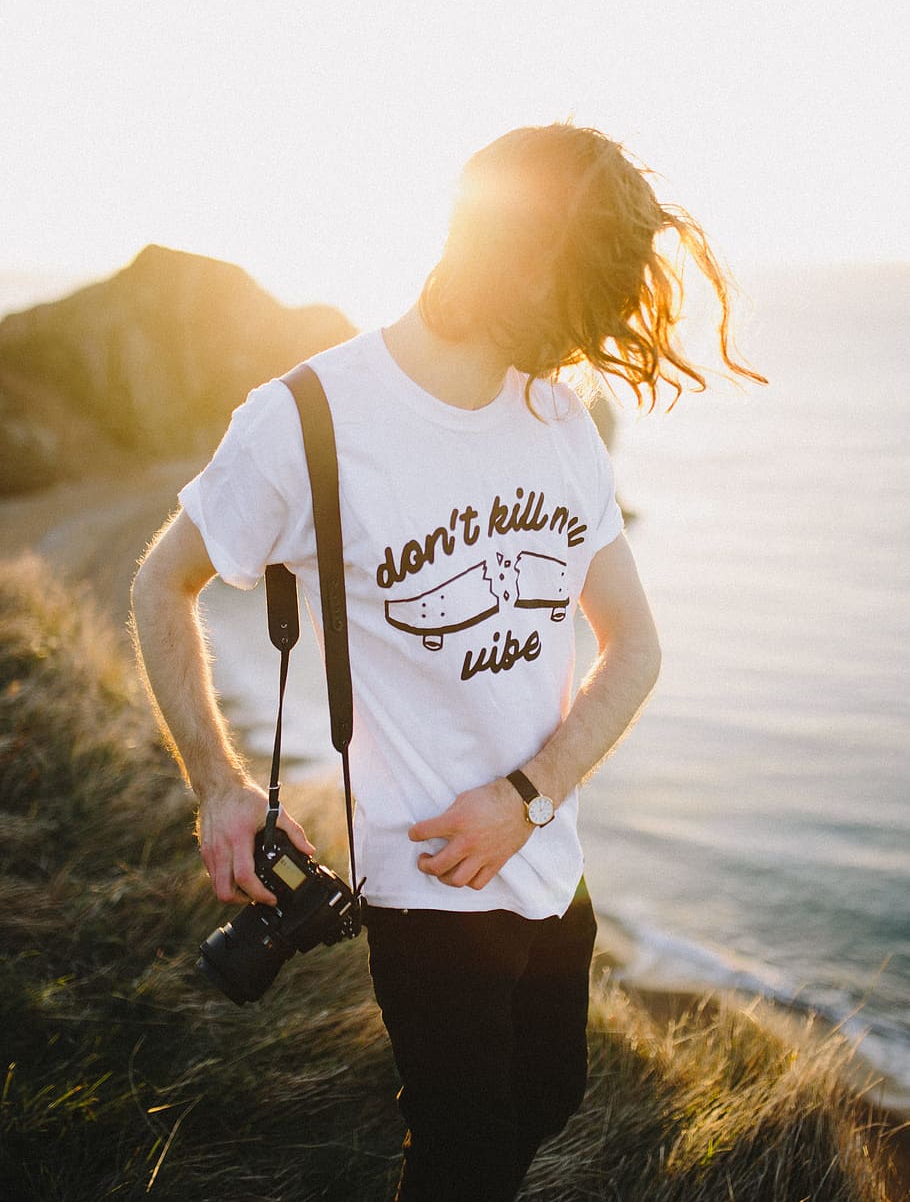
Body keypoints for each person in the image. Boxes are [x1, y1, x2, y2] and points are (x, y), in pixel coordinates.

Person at [130, 122, 763, 1201]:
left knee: (550, 1095)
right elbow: (159, 582)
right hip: (423, 889)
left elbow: (636, 646)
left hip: (547, 860)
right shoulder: (309, 420)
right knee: (464, 1157)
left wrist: (531, 795)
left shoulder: (559, 418)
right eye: (586, 296)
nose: (592, 335)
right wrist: (220, 785)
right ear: (517, 259)